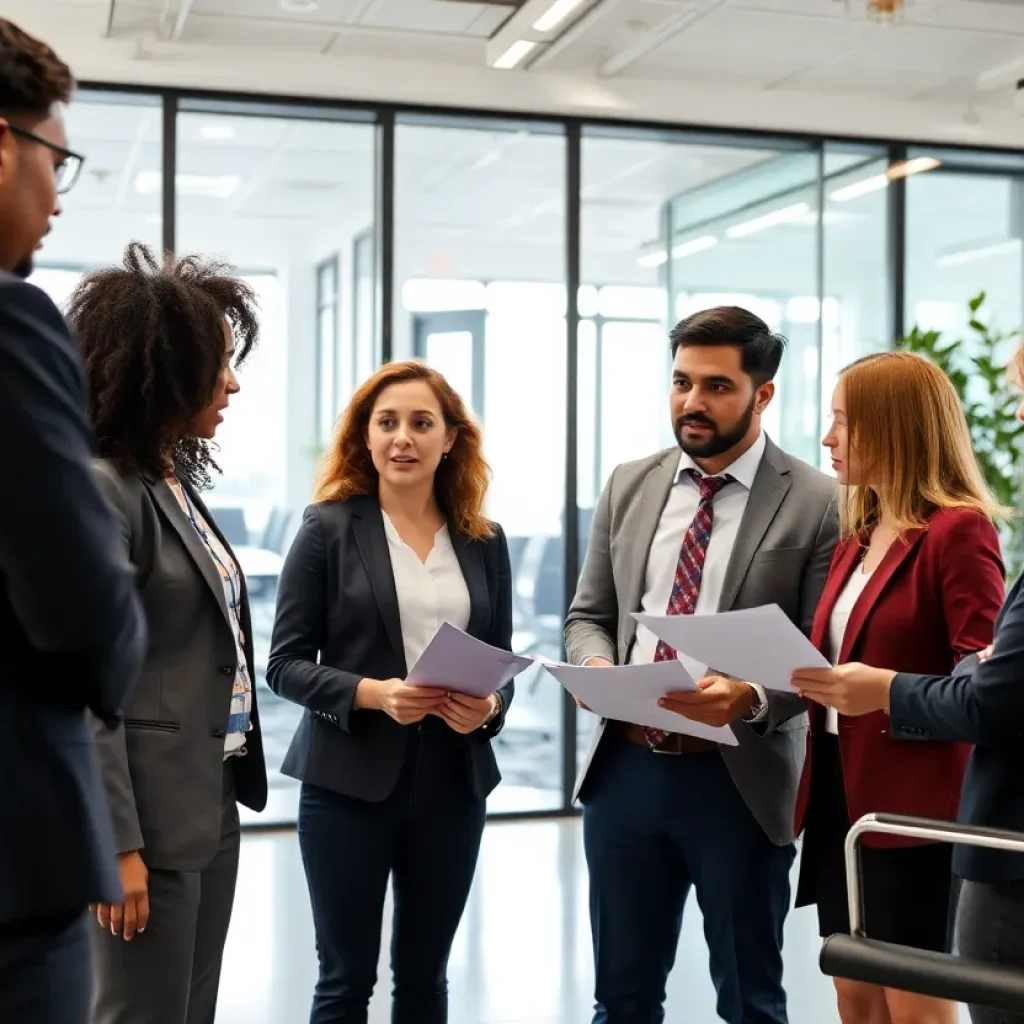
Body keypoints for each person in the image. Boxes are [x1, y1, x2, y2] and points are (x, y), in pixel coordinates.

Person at [566, 305, 839, 1024]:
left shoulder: (817, 501)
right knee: (620, 998)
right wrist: (593, 666)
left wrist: (750, 696)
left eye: (717, 386)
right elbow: (589, 615)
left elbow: (823, 651)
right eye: (681, 381)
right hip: (624, 774)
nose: (692, 402)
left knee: (750, 1001)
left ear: (763, 393)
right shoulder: (630, 484)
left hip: (738, 782)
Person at [267, 360, 514, 1024]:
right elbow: (284, 664)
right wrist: (374, 693)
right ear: (366, 437)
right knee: (345, 980)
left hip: (453, 785)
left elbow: (499, 665)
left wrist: (488, 710)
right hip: (347, 784)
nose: (403, 438)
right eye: (387, 423)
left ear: (450, 438)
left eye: (421, 423)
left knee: (426, 979)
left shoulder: (484, 542)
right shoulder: (327, 528)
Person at [66, 242, 268, 1024]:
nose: (233, 382)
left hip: (207, 797)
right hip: (142, 821)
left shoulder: (170, 478)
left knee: (188, 1011)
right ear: (163, 369)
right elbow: (86, 684)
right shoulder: (103, 488)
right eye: (218, 364)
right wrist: (115, 845)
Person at [792, 343, 1024, 1024]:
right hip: (838, 791)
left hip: (916, 808)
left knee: (914, 1001)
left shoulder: (959, 533)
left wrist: (884, 693)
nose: (827, 437)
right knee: (853, 987)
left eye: (843, 421)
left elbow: (980, 672)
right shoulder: (855, 536)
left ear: (895, 427)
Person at [0, 19, 147, 1024]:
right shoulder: (13, 323)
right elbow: (84, 603)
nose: (57, 195)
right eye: (58, 159)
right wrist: (116, 660)